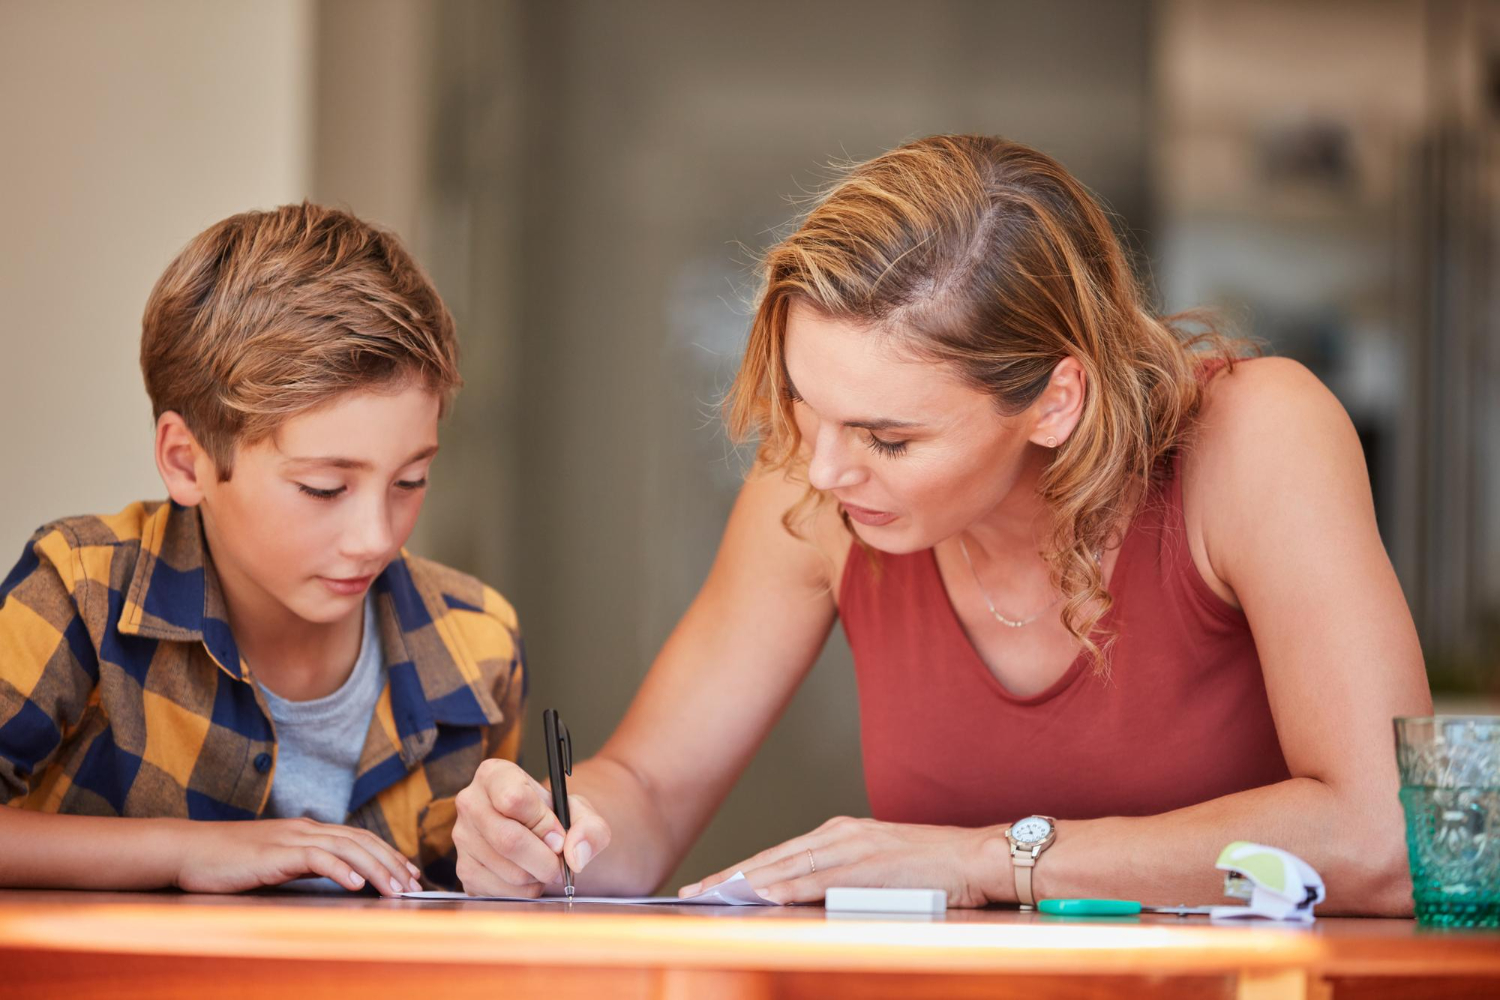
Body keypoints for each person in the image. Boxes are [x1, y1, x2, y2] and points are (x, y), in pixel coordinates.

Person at [451, 135, 1430, 914]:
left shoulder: (1257, 438)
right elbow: (653, 794)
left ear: (1055, 401)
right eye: (803, 403)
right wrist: (549, 837)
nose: (826, 469)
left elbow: (1383, 839)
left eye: (889, 436)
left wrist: (985, 861)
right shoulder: (817, 481)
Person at [0, 203, 526, 895]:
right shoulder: (79, 591)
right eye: (323, 487)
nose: (376, 538)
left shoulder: (477, 643)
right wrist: (186, 852)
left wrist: (519, 859)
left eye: (410, 479)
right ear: (187, 463)